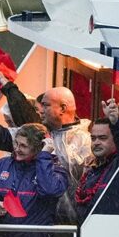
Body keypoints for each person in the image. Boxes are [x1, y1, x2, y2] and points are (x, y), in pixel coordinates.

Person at [0, 123, 68, 237]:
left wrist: (43, 157)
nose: (17, 149)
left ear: (39, 147)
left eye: (23, 146)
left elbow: (49, 190)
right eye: (16, 144)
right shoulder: (2, 165)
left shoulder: (55, 169)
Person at [74, 100, 119, 224]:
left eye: (102, 138)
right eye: (93, 138)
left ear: (116, 139)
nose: (96, 142)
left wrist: (116, 122)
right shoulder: (92, 169)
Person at [40, 87, 92, 223]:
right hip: (43, 220)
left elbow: (73, 171)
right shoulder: (45, 136)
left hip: (72, 222)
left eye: (45, 105)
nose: (41, 110)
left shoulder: (86, 140)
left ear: (63, 108)